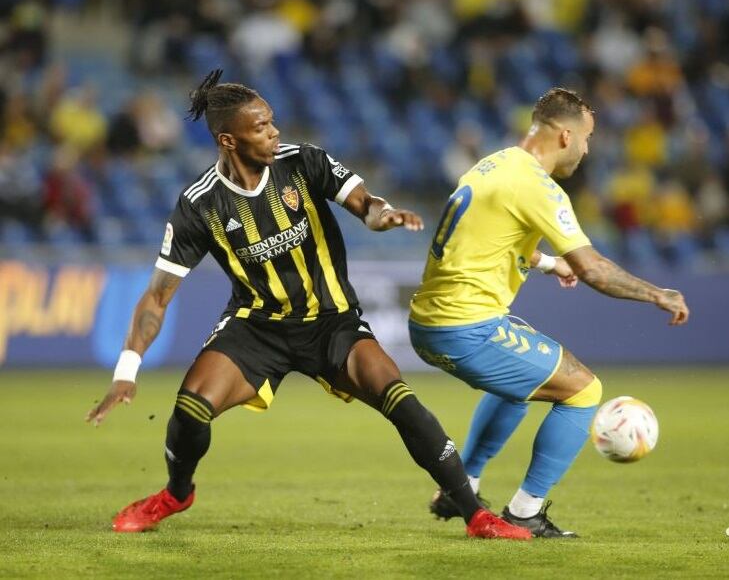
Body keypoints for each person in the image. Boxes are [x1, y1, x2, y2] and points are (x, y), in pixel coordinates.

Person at [85, 70, 530, 540]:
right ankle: (176, 493)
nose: (274, 132)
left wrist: (383, 216)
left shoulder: (303, 162)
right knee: (191, 407)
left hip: (331, 321)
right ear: (228, 140)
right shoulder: (201, 204)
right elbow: (157, 296)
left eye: (272, 122)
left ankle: (476, 516)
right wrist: (125, 372)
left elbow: (364, 202)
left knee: (398, 396)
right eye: (261, 128)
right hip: (257, 326)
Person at [408, 88, 689, 538]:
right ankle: (525, 511)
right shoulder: (537, 185)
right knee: (583, 390)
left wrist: (543, 261)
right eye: (587, 137)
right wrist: (657, 294)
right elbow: (593, 269)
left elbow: (484, 235)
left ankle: (463, 484)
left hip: (431, 322)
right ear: (564, 135)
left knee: (521, 385)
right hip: (466, 326)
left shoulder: (494, 163)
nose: (587, 147)